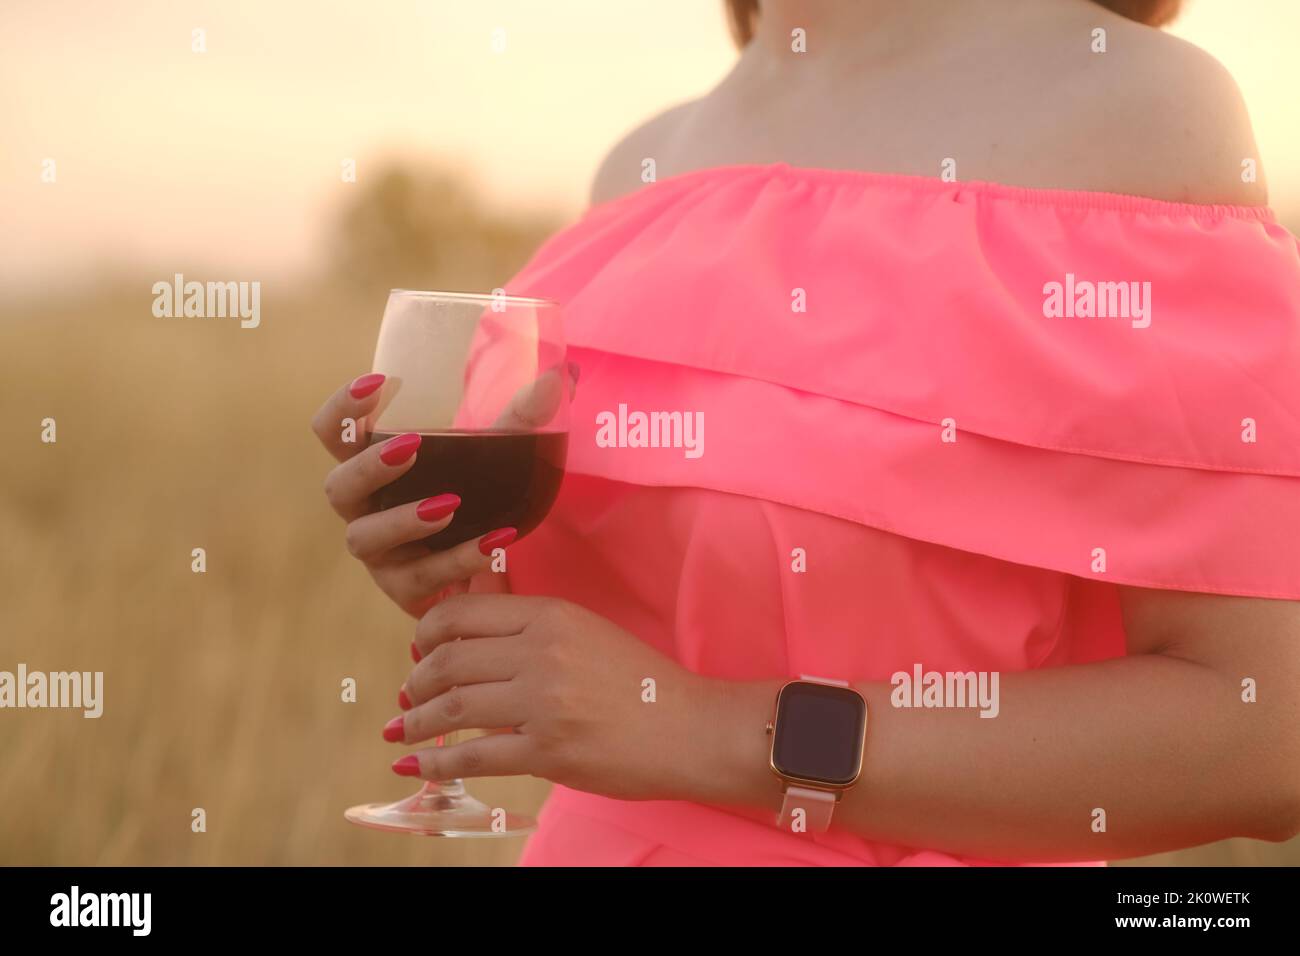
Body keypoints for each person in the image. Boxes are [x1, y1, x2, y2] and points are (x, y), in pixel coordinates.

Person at [311, 0, 1300, 865]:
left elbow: (1264, 736)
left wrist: (705, 729)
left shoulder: (1138, 116)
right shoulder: (642, 168)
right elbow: (649, 615)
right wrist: (461, 574)